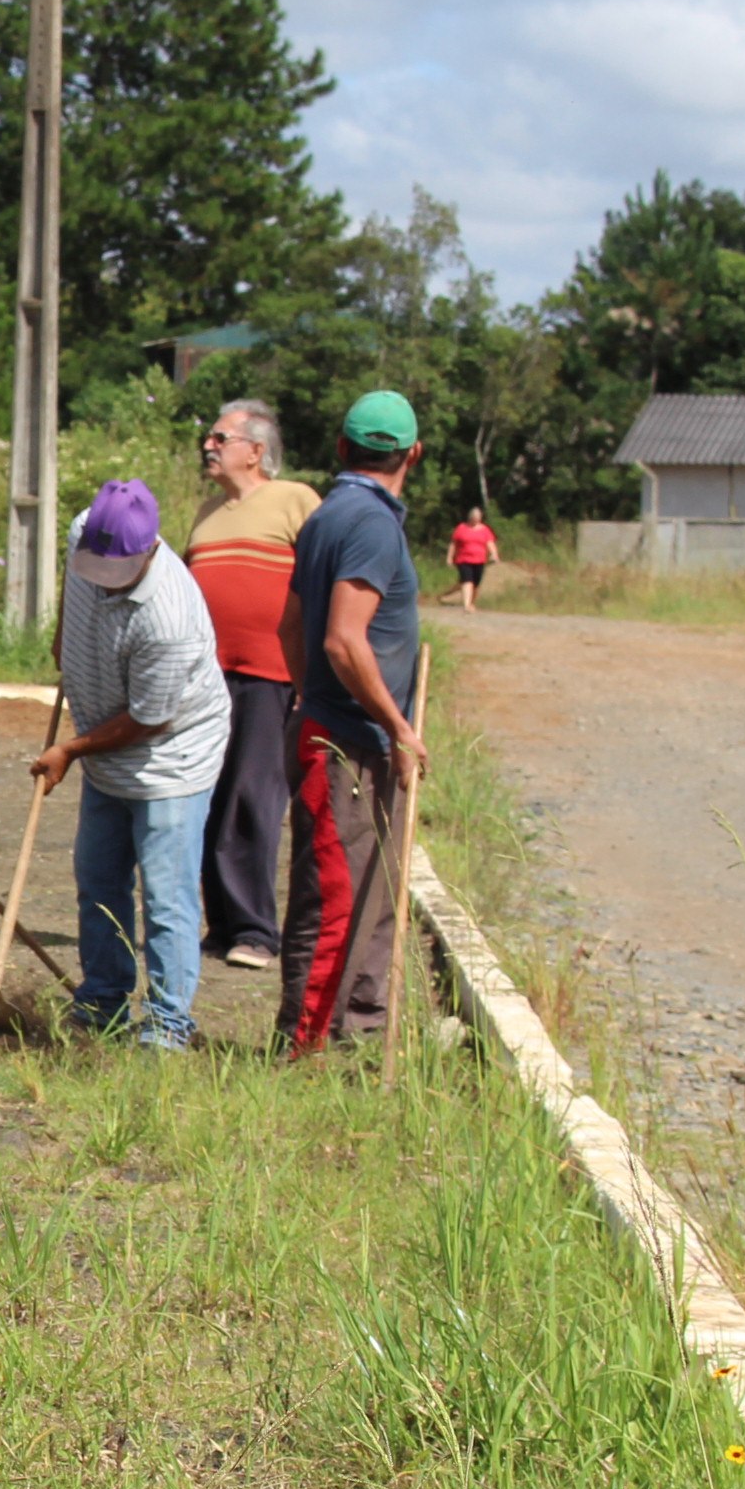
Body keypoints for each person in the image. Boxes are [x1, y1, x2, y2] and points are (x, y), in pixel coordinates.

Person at [30, 479, 229, 1050]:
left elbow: (149, 718)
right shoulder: (82, 535)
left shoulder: (171, 618)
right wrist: (66, 646)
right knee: (97, 879)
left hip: (170, 759)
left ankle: (168, 1025)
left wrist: (70, 750)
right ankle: (103, 1003)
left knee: (165, 898)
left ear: (148, 552)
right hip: (106, 751)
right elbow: (75, 599)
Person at [278, 388, 429, 1054]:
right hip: (347, 744)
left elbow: (290, 628)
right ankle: (305, 1047)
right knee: (337, 899)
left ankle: (358, 1033)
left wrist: (311, 699)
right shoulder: (367, 524)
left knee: (373, 892)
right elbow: (343, 638)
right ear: (413, 455)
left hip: (338, 729)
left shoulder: (326, 516)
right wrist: (395, 725)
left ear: (343, 448)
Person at [181, 398, 314, 974]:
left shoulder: (295, 500)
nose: (208, 446)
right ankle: (224, 924)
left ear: (256, 451)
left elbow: (323, 581)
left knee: (254, 798)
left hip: (271, 673)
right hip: (209, 679)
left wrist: (315, 672)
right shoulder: (207, 514)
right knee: (208, 793)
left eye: (219, 438)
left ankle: (258, 930)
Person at [446, 506, 498, 610]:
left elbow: (490, 543)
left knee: (476, 583)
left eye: (478, 518)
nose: (476, 520)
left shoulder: (485, 530)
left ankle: (471, 603)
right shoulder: (461, 528)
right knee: (467, 580)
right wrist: (449, 557)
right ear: (470, 517)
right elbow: (453, 544)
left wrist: (494, 554)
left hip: (480, 560)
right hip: (463, 560)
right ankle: (466, 605)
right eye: (474, 517)